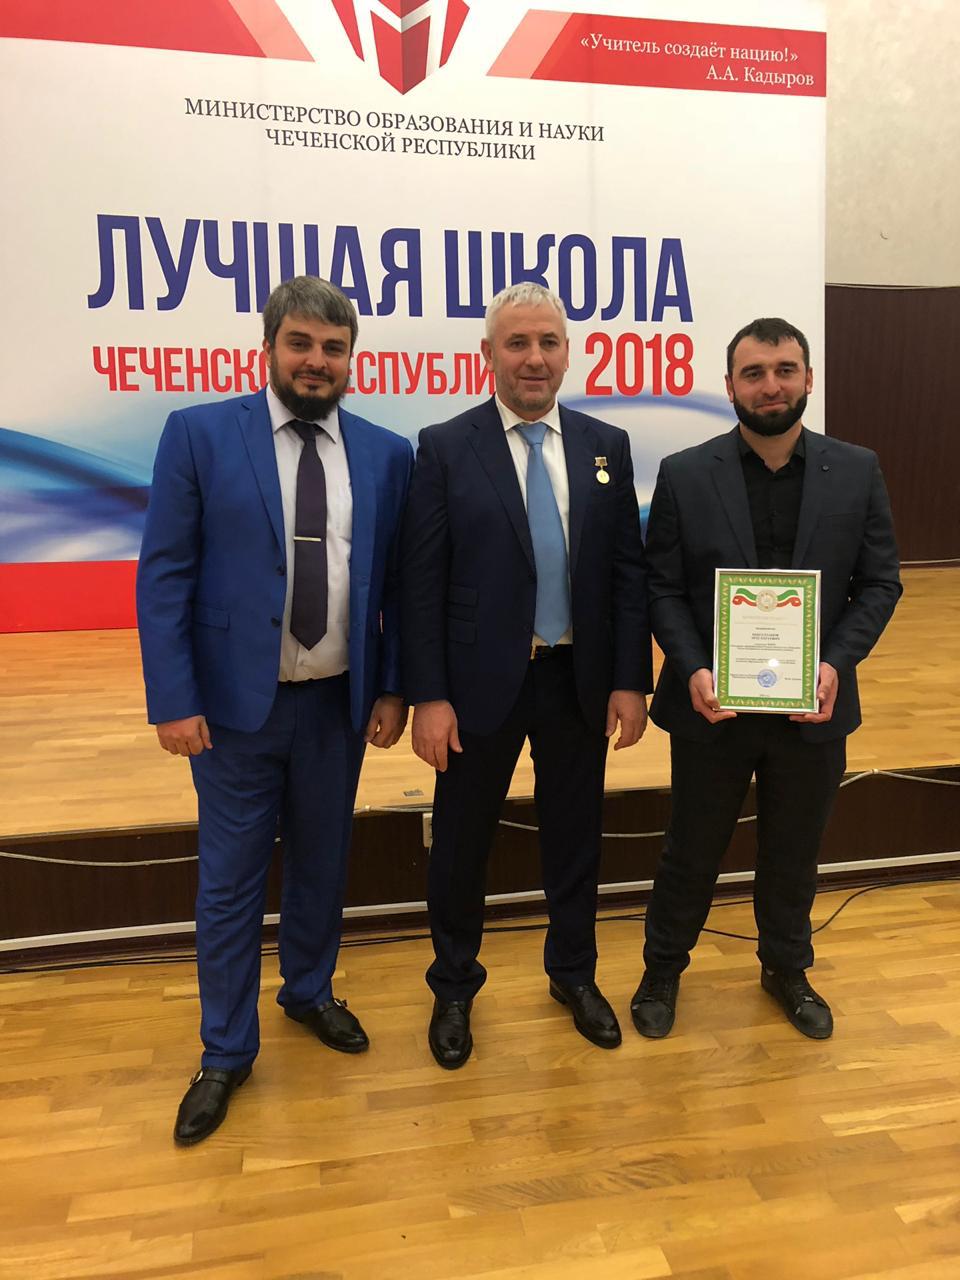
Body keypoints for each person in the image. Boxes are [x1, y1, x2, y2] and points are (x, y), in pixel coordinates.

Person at [136, 276, 413, 1144]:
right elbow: (164, 574)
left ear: (351, 359)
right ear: (269, 349)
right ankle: (225, 1050)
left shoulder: (386, 454)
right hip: (232, 713)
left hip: (337, 705)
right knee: (230, 884)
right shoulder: (199, 434)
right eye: (301, 344)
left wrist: (393, 687)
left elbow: (396, 588)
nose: (316, 361)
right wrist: (174, 699)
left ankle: (309, 990)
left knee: (324, 863)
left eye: (333, 348)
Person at [401, 282, 653, 1068]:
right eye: (517, 343)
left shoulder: (606, 445)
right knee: (461, 844)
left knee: (576, 837)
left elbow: (627, 572)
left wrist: (630, 679)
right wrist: (429, 695)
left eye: (548, 341)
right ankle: (453, 986)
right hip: (477, 685)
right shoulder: (446, 446)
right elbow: (421, 583)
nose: (534, 357)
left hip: (578, 679)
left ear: (568, 353)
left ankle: (573, 974)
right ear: (489, 354)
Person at [632, 317, 901, 1041]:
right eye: (754, 373)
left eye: (785, 370)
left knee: (794, 851)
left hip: (814, 706)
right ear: (730, 387)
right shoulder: (686, 474)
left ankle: (786, 968)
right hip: (712, 706)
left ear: (809, 378)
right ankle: (663, 969)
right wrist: (691, 667)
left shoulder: (857, 469)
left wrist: (833, 664)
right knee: (691, 850)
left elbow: (880, 584)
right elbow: (662, 588)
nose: (771, 385)